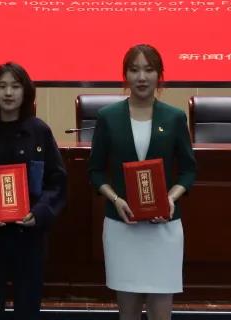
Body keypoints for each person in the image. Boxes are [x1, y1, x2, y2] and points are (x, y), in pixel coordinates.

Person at [87, 44, 196, 320]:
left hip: (164, 229)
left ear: (160, 75)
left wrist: (170, 199)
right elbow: (95, 172)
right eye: (134, 70)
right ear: (125, 75)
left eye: (149, 70)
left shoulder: (174, 117)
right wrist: (116, 200)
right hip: (122, 226)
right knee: (129, 313)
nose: (142, 77)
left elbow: (188, 171)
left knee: (161, 312)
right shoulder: (108, 117)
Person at [0, 62, 67, 319]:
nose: (8, 93)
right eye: (2, 86)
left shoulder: (39, 132)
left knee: (28, 308)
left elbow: (57, 182)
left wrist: (39, 212)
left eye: (15, 86)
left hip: (29, 237)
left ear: (25, 92)